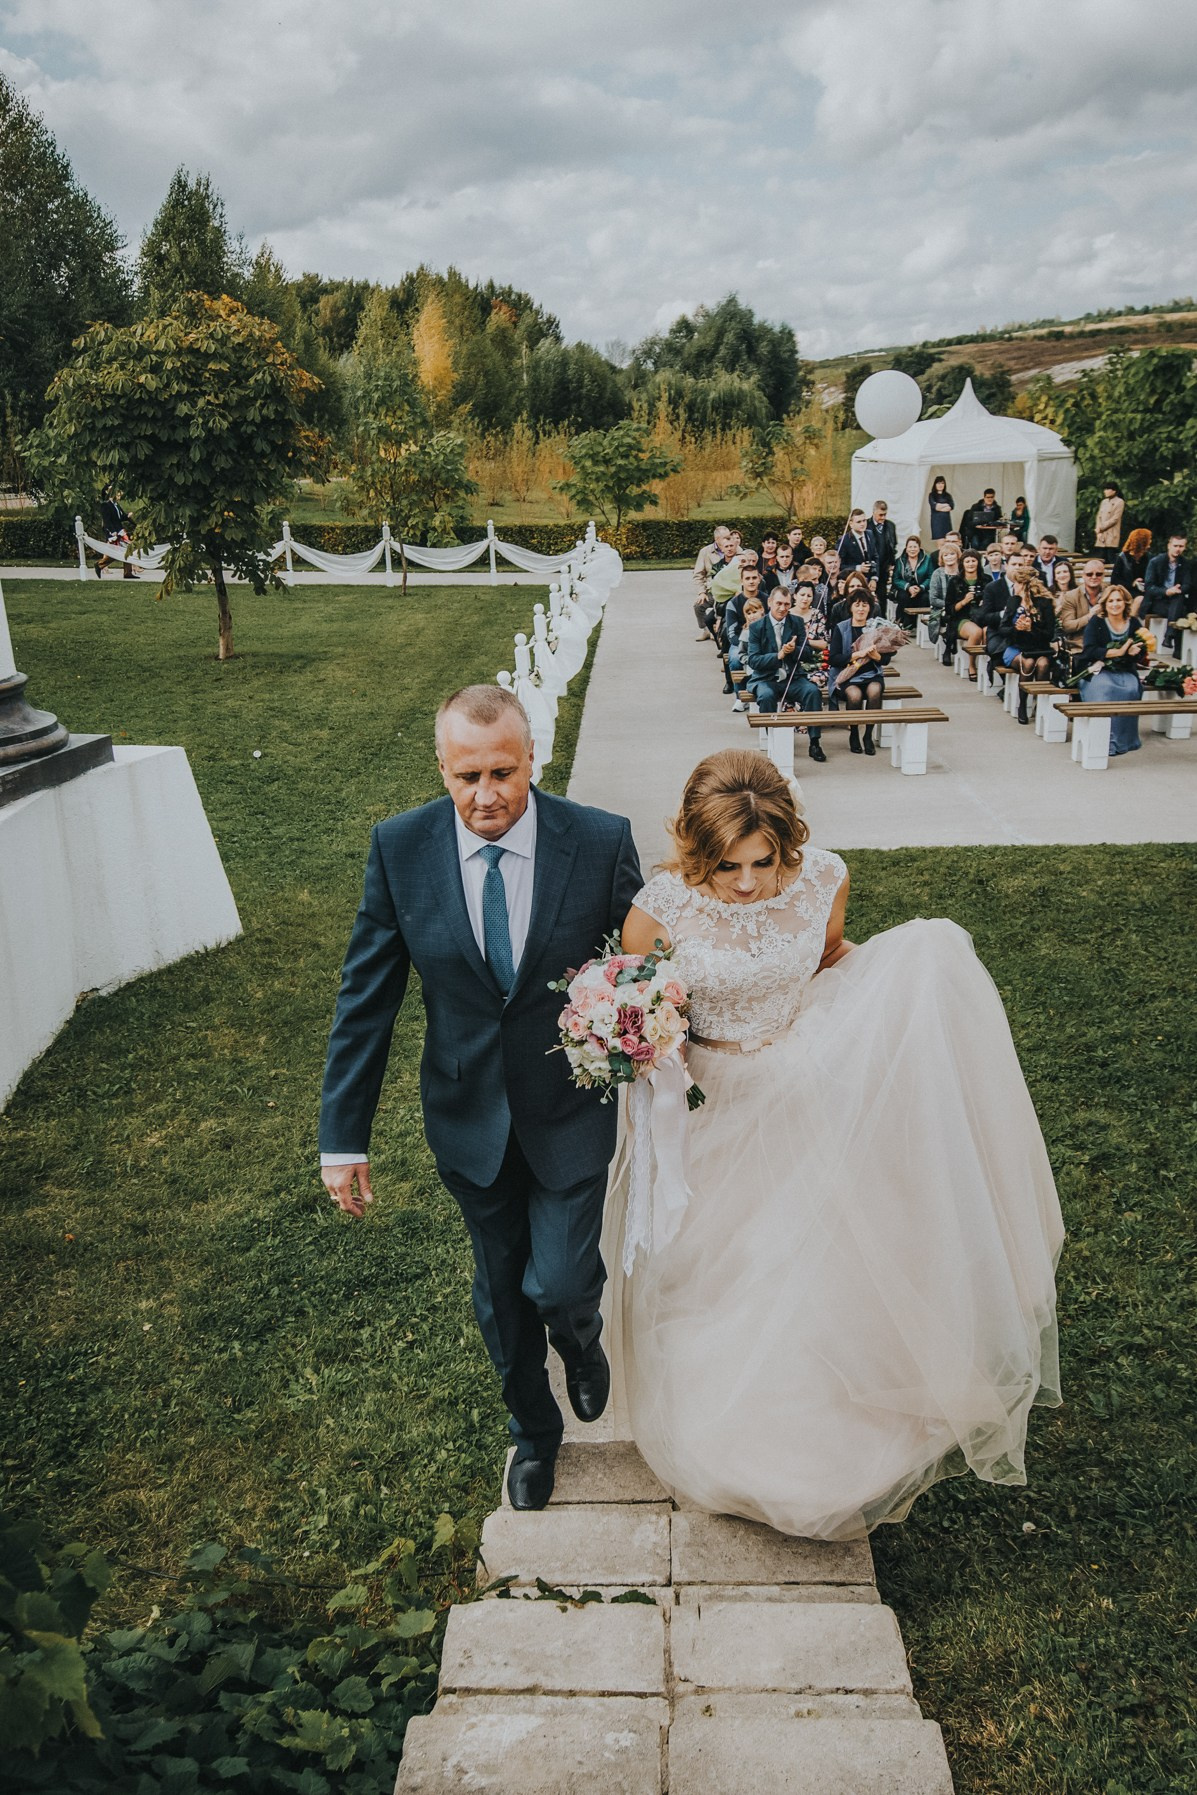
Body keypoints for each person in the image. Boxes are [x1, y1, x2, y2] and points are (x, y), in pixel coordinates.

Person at [611, 750, 1063, 1540]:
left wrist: (894, 997)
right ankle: (731, 1433)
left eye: (764, 861)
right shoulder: (656, 910)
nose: (749, 883)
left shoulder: (823, 877)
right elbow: (646, 1009)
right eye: (726, 866)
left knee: (814, 1261)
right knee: (719, 1268)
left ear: (787, 845)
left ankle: (828, 1433)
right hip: (711, 1099)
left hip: (802, 1078)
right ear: (694, 849)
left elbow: (824, 956)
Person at [319, 685, 642, 1511]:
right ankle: (533, 1436)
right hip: (466, 1119)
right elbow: (367, 997)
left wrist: (637, 1024)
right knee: (500, 1295)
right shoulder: (400, 849)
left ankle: (581, 1341)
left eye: (503, 771)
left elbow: (641, 970)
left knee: (559, 1284)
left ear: (533, 760)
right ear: (442, 769)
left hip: (570, 1109)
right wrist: (342, 1138)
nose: (486, 794)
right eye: (467, 776)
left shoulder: (599, 842)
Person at [746, 587, 826, 761]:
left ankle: (815, 742)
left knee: (812, 692)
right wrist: (779, 655)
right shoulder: (756, 627)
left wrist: (793, 650)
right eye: (779, 604)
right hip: (766, 679)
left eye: (787, 604)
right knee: (766, 696)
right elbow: (753, 660)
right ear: (769, 603)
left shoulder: (796, 622)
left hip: (792, 677)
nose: (783, 608)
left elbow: (807, 653)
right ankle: (773, 740)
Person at [1079, 585, 1150, 756]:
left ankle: (1125, 740)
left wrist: (1135, 653)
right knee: (1106, 688)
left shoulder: (1133, 623)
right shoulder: (1096, 622)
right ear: (1105, 604)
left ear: (1125, 602)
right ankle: (1105, 740)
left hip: (1125, 670)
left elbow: (1141, 652)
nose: (1115, 604)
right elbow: (1089, 650)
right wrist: (1117, 652)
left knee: (1132, 688)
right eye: (1111, 601)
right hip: (1099, 670)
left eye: (1118, 600)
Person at [829, 589, 891, 754]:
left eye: (865, 605)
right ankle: (854, 733)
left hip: (872, 674)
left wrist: (877, 656)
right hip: (849, 676)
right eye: (857, 605)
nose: (861, 609)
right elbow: (833, 658)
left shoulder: (875, 627)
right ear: (851, 608)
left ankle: (868, 735)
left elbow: (886, 658)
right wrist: (856, 654)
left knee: (875, 690)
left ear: (870, 608)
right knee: (854, 695)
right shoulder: (841, 628)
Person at [1001, 564, 1057, 723]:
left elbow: (1049, 634)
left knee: (1043, 664)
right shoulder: (1013, 601)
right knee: (1028, 662)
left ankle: (1041, 705)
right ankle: (1023, 705)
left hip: (1039, 649)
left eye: (1017, 583)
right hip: (1016, 648)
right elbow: (1003, 629)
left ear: (1025, 585)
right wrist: (1017, 628)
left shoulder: (1044, 604)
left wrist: (1032, 628)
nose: (1014, 586)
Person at [1143, 533, 1191, 650]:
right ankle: (1174, 644)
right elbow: (1149, 587)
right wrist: (1166, 591)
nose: (1178, 549)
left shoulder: (1185, 564)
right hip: (1157, 601)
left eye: (1181, 546)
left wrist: (1177, 590)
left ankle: (1170, 638)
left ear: (1184, 547)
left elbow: (1187, 584)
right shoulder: (1156, 562)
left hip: (1175, 600)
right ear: (1169, 546)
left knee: (1179, 600)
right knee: (1180, 609)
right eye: (1175, 546)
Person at [948, 550, 990, 677]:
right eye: (967, 561)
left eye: (973, 561)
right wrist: (964, 601)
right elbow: (950, 608)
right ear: (962, 564)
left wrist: (985, 602)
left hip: (982, 616)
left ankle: (988, 665)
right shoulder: (955, 581)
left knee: (987, 631)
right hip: (961, 618)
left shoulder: (986, 580)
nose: (971, 564)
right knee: (976, 632)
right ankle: (972, 665)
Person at [691, 524, 733, 640]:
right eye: (724, 538)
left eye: (729, 537)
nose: (728, 540)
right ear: (716, 539)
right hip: (712, 590)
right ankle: (706, 630)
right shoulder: (705, 552)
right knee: (698, 606)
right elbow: (698, 574)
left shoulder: (735, 549)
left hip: (731, 590)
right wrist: (701, 592)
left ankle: (723, 631)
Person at [729, 594, 767, 712]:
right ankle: (741, 698)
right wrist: (749, 660)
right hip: (752, 665)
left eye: (754, 612)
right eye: (748, 613)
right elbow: (742, 653)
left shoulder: (769, 628)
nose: (752, 616)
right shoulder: (746, 632)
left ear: (762, 611)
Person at [1051, 559, 1090, 668]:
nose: (1062, 575)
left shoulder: (1079, 593)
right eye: (1058, 573)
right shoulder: (1049, 594)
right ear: (1054, 577)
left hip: (1074, 632)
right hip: (1055, 633)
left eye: (1065, 572)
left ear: (1070, 574)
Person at [889, 533, 934, 623]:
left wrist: (920, 588)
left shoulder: (927, 559)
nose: (912, 549)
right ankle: (903, 623)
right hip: (903, 589)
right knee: (904, 597)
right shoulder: (900, 561)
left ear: (919, 548)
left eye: (915, 547)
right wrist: (908, 587)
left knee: (925, 598)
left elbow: (930, 577)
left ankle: (920, 624)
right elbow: (896, 579)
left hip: (921, 588)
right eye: (910, 547)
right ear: (906, 548)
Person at [95, 488, 138, 580]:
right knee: (120, 551)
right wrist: (112, 531)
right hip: (115, 532)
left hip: (120, 530)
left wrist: (127, 517)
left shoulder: (116, 505)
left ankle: (128, 572)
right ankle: (100, 564)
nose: (119, 497)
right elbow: (107, 520)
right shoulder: (105, 505)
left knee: (126, 550)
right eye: (118, 495)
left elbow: (120, 517)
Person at [928, 542, 961, 649]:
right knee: (950, 616)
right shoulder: (937, 573)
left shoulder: (962, 573)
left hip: (961, 608)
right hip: (941, 609)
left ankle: (949, 644)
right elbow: (933, 599)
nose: (949, 557)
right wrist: (950, 606)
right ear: (942, 558)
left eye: (952, 554)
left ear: (957, 555)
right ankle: (949, 646)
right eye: (945, 555)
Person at [1111, 528, 1152, 610]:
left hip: (1144, 591)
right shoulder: (1123, 557)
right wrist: (1133, 583)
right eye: (1149, 539)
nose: (1150, 541)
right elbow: (1114, 580)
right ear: (1142, 542)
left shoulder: (1148, 557)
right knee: (1139, 600)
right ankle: (1130, 621)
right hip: (1126, 590)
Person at [866, 500, 897, 603]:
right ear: (874, 512)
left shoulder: (890, 526)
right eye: (880, 515)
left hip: (884, 567)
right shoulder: (866, 525)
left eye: (885, 515)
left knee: (883, 597)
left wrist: (891, 563)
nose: (883, 518)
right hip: (870, 568)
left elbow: (893, 545)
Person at [837, 509, 875, 578]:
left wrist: (874, 578)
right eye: (859, 522)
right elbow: (840, 565)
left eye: (864, 520)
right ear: (851, 524)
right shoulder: (844, 541)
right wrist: (858, 568)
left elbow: (875, 557)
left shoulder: (870, 534)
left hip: (870, 581)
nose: (862, 524)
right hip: (853, 580)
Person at [1094, 485, 1125, 564]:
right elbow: (1099, 516)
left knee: (1111, 557)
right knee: (1101, 557)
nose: (1105, 491)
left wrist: (1101, 527)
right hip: (1101, 534)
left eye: (1107, 489)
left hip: (1111, 533)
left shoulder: (1120, 502)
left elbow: (1115, 519)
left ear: (1114, 491)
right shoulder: (1104, 502)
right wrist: (1098, 531)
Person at [927, 475, 954, 540]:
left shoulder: (948, 495)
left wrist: (940, 505)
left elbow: (951, 506)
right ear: (935, 484)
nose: (940, 485)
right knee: (940, 541)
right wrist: (945, 505)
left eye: (942, 483)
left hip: (946, 521)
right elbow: (935, 507)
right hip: (936, 521)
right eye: (938, 483)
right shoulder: (932, 495)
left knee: (948, 540)